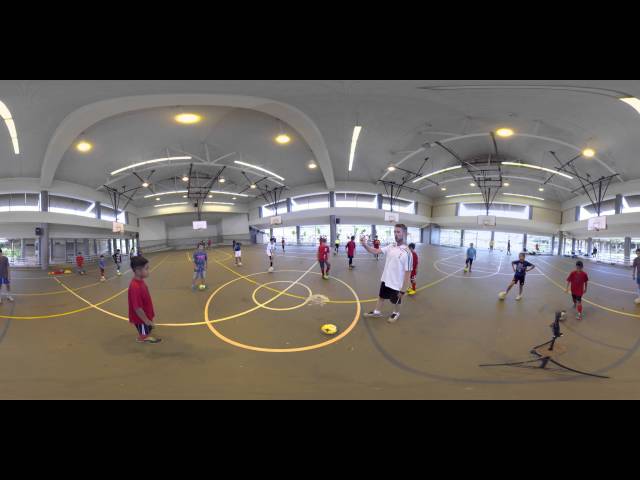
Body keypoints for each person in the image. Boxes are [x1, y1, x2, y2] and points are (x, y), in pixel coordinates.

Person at [361, 224, 413, 324]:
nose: (396, 234)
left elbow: (408, 273)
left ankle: (396, 313)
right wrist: (365, 245)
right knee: (381, 296)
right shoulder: (391, 246)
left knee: (396, 301)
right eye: (394, 232)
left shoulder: (407, 253)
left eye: (398, 232)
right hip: (386, 279)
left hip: (396, 283)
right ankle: (377, 312)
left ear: (404, 233)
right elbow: (376, 251)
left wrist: (403, 290)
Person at [128, 256, 161, 344]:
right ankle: (142, 338)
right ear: (138, 271)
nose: (148, 271)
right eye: (146, 269)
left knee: (148, 327)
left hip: (145, 313)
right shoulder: (135, 287)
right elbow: (137, 308)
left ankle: (147, 330)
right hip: (141, 319)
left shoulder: (140, 281)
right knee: (144, 332)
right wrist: (146, 321)